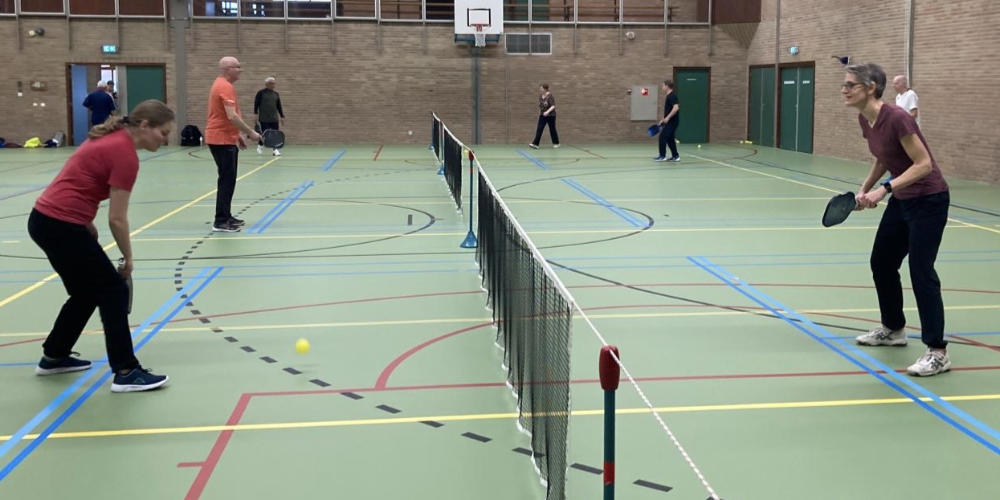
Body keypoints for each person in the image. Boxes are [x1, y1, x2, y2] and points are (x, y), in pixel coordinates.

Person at [28, 100, 174, 393]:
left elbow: (76, 182)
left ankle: (54, 355)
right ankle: (126, 371)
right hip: (60, 224)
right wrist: (128, 258)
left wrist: (84, 221)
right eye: (163, 132)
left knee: (85, 292)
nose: (167, 139)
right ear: (144, 126)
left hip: (45, 220)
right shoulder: (124, 154)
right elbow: (117, 219)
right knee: (112, 289)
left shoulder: (111, 139)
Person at [844, 63, 951, 376]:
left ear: (872, 88)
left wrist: (884, 190)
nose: (844, 90)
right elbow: (884, 157)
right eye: (845, 85)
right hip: (903, 200)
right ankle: (894, 329)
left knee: (921, 271)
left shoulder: (898, 117)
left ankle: (938, 351)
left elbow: (923, 164)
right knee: (882, 262)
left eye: (851, 85)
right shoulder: (866, 120)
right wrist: (863, 191)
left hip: (929, 200)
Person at [205, 56, 260, 233]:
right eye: (237, 67)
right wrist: (250, 132)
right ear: (227, 69)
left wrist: (238, 135)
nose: (240, 70)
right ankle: (220, 221)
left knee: (228, 179)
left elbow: (230, 115)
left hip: (226, 137)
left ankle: (226, 215)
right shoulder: (224, 87)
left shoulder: (223, 85)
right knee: (226, 180)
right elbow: (232, 116)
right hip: (220, 139)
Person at [253, 76, 286, 156]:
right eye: (271, 83)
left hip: (274, 118)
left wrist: (282, 116)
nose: (273, 85)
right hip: (264, 118)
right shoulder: (261, 93)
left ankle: (275, 150)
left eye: (274, 83)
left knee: (275, 134)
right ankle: (260, 145)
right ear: (266, 84)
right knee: (265, 134)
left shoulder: (276, 94)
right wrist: (255, 114)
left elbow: (279, 106)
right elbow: (256, 104)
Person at [654, 80, 680, 162]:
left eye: (663, 85)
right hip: (670, 121)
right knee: (670, 139)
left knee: (662, 137)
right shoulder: (668, 96)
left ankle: (662, 156)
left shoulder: (672, 96)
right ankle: (675, 156)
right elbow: (669, 110)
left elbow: (676, 108)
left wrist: (668, 118)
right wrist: (663, 120)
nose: (662, 87)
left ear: (667, 86)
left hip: (672, 121)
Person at [528, 84, 559, 149]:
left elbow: (553, 106)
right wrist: (541, 108)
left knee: (552, 129)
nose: (540, 90)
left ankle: (556, 143)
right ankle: (535, 144)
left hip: (551, 116)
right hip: (542, 115)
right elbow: (541, 105)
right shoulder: (540, 96)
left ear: (545, 89)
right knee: (539, 128)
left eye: (541, 88)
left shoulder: (550, 96)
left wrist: (547, 112)